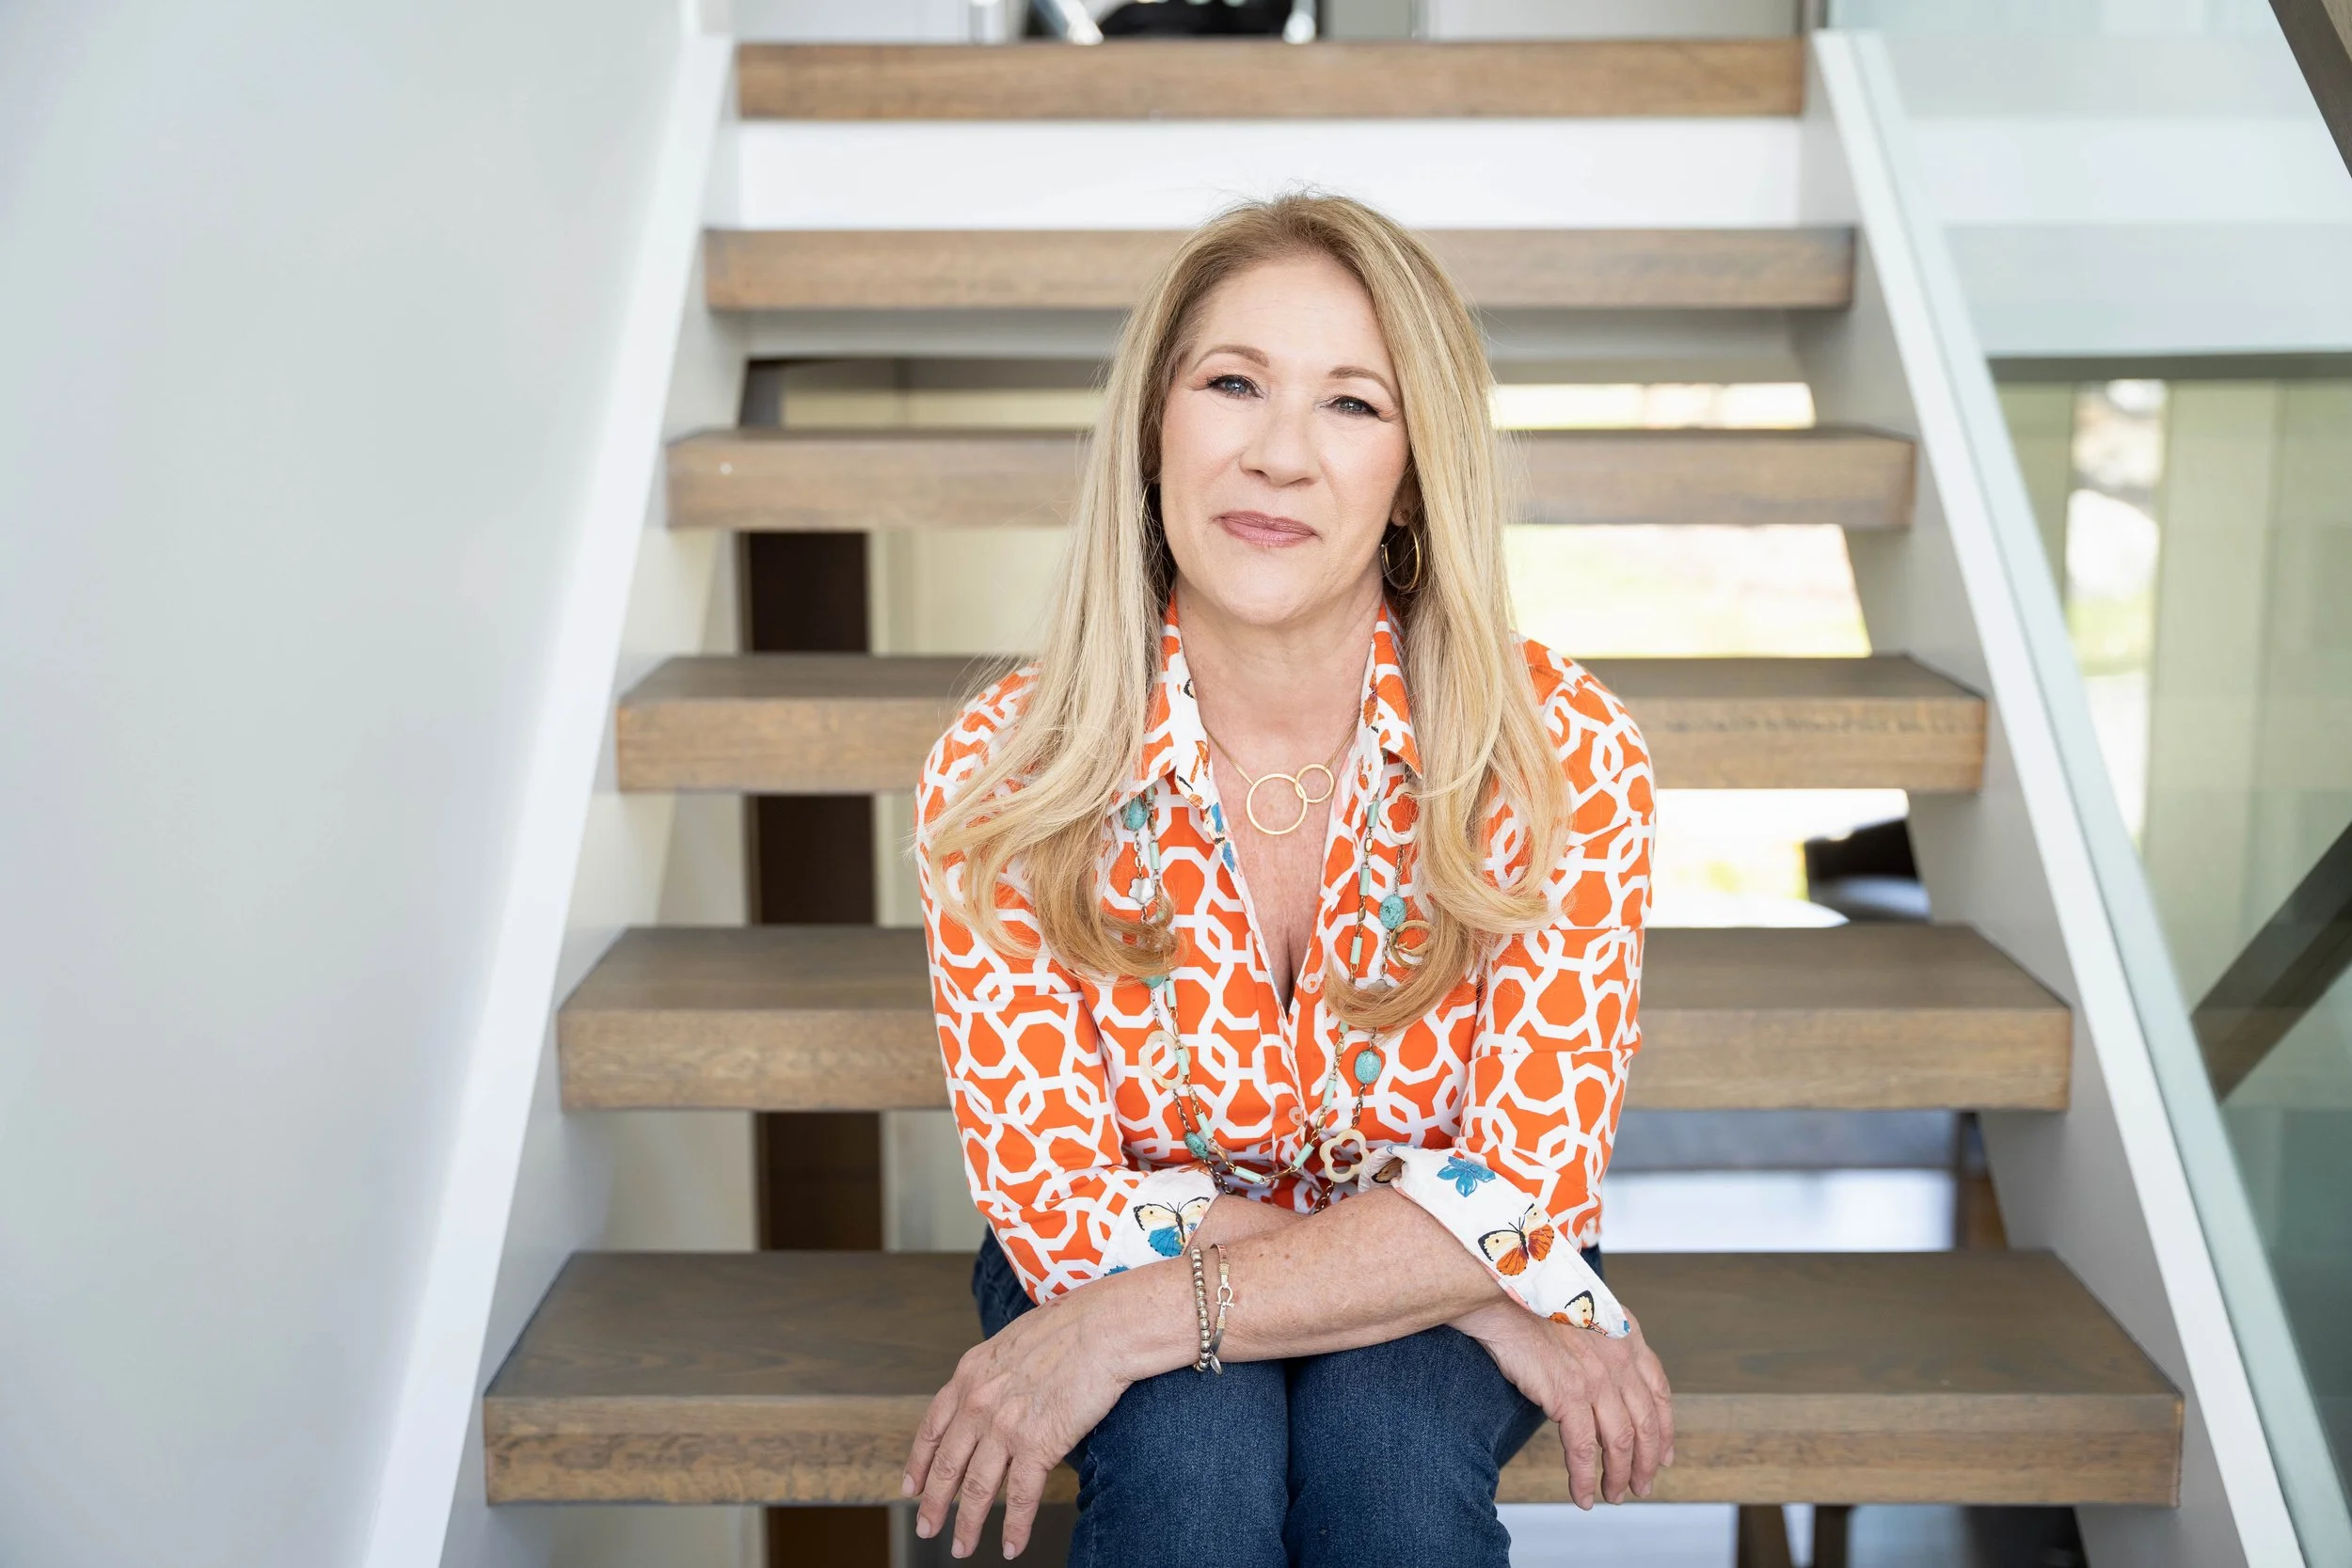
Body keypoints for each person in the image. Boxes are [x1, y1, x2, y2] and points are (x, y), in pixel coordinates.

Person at [908, 192, 1670, 1565]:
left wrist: (1144, 1323)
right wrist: (1481, 1284)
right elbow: (1061, 1197)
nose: (1278, 455)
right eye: (1233, 383)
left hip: (1354, 1253)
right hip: (1131, 1245)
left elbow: (1525, 1184)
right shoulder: (1006, 771)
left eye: (1352, 404)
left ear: (1415, 474)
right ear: (1155, 425)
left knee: (1391, 1469)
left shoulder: (1558, 754)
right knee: (1193, 1468)